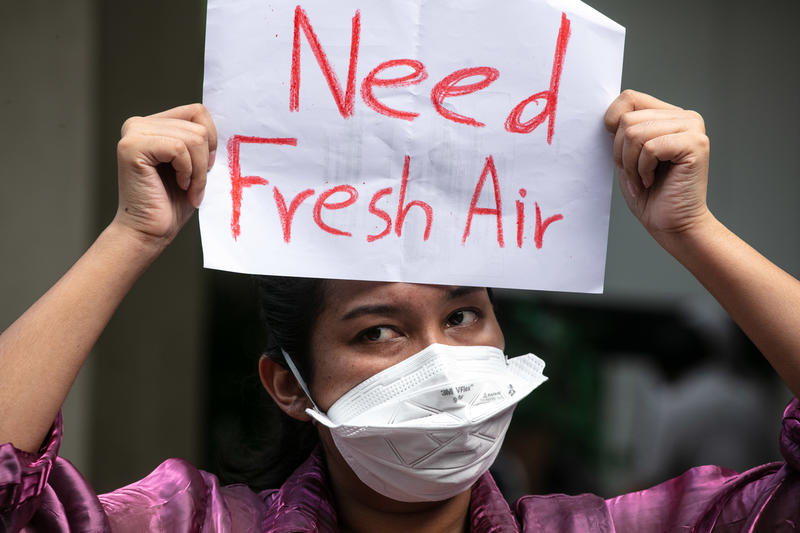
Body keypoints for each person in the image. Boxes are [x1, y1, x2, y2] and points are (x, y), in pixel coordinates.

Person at [1, 90, 799, 532]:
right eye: (378, 329)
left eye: (463, 317)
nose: (440, 363)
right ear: (289, 383)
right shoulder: (186, 523)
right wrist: (132, 235)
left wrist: (693, 231)